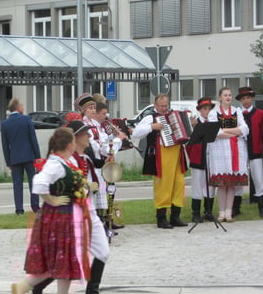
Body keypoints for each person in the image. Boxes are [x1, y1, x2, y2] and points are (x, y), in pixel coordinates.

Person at [11, 127, 90, 294]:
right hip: (59, 217)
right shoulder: (55, 164)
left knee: (60, 259)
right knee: (63, 258)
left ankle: (23, 288)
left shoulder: (65, 161)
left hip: (63, 215)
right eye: (73, 141)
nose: (75, 144)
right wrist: (51, 199)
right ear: (69, 144)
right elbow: (39, 182)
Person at [31, 121, 111, 294]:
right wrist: (51, 200)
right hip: (74, 214)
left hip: (89, 211)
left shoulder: (85, 158)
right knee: (68, 256)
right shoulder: (66, 159)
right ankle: (39, 286)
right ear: (74, 139)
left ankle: (91, 292)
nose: (89, 137)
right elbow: (49, 182)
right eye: (85, 134)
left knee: (103, 251)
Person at [131, 93, 188, 229]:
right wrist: (152, 127)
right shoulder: (150, 117)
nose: (164, 108)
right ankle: (161, 218)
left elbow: (184, 132)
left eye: (165, 105)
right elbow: (136, 133)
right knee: (164, 185)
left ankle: (175, 217)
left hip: (177, 152)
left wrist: (190, 126)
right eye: (161, 106)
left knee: (179, 184)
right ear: (155, 105)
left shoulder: (175, 115)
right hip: (161, 153)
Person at [78, 94, 125, 230]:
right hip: (92, 164)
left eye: (94, 108)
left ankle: (102, 222)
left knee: (102, 192)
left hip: (100, 163)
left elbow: (103, 143)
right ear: (84, 111)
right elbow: (96, 146)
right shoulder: (85, 125)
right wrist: (117, 141)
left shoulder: (95, 125)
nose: (93, 110)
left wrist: (112, 141)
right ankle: (95, 224)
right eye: (90, 108)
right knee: (93, 193)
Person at [207, 87, 248, 222]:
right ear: (220, 97)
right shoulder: (214, 113)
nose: (228, 97)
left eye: (230, 95)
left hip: (235, 149)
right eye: (225, 95)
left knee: (231, 183)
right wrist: (235, 132)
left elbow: (245, 129)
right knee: (222, 183)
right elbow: (216, 132)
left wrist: (226, 130)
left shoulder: (237, 111)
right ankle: (221, 212)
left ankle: (229, 212)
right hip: (220, 150)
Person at [1, 98, 41, 215]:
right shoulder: (26, 119)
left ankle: (19, 209)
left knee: (17, 184)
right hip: (29, 155)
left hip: (14, 158)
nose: (23, 107)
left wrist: (8, 162)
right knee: (33, 181)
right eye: (22, 105)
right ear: (18, 107)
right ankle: (35, 206)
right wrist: (37, 156)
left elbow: (5, 145)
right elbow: (33, 138)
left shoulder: (5, 124)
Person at [234, 86, 263, 217]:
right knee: (238, 178)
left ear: (252, 98)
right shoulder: (236, 114)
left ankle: (262, 206)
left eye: (248, 98)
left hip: (255, 150)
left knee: (258, 178)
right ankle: (236, 207)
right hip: (239, 151)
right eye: (243, 98)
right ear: (240, 100)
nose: (246, 101)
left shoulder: (260, 114)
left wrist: (260, 145)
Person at [186, 97, 216, 223]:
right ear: (200, 110)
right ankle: (196, 213)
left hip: (211, 157)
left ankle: (208, 211)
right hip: (197, 157)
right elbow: (188, 143)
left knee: (211, 185)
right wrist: (192, 156)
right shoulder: (194, 123)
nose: (207, 111)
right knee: (197, 185)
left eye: (209, 108)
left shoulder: (213, 123)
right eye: (205, 109)